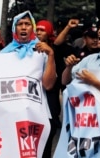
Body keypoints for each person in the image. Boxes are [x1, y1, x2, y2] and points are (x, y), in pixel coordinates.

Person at [0, 11, 56, 157]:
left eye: (27, 24)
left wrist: (50, 55)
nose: (23, 27)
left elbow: (48, 85)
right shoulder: (3, 55)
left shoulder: (42, 52)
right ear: (14, 29)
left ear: (33, 28)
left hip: (38, 114)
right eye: (19, 24)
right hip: (12, 115)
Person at [36, 19, 61, 158]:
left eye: (42, 30)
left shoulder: (55, 50)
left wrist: (50, 54)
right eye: (37, 30)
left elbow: (49, 84)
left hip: (49, 109)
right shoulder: (29, 51)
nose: (38, 33)